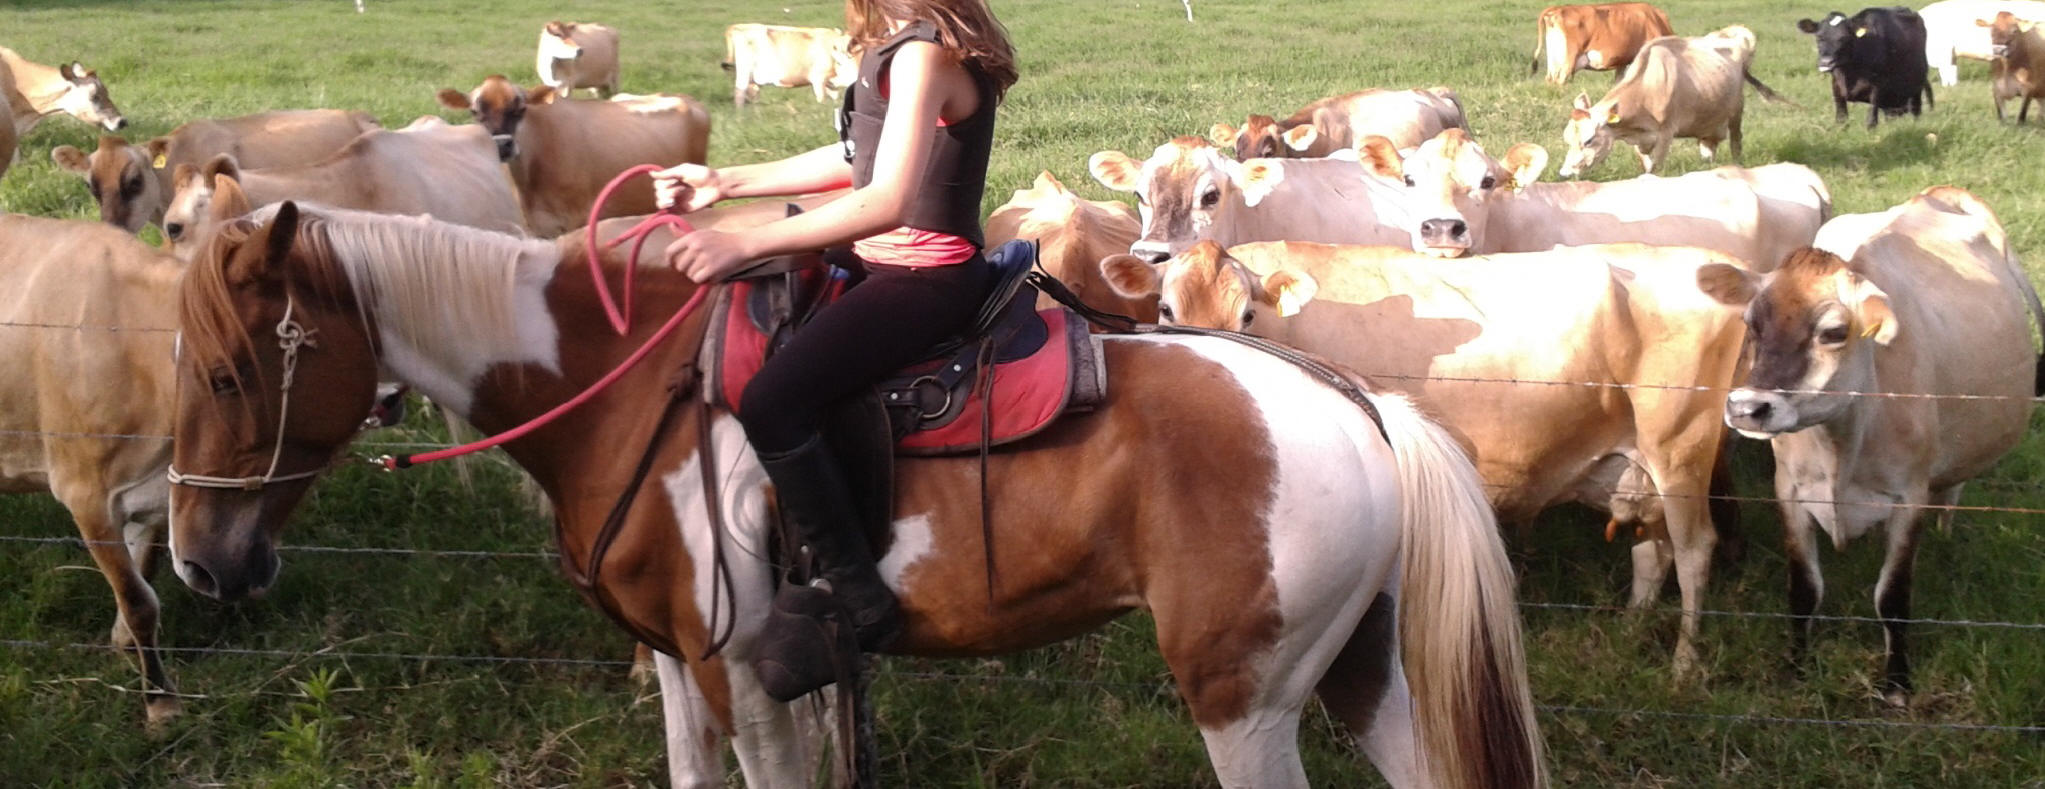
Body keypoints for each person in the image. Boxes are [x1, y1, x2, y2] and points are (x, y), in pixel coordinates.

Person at [652, 0, 1017, 702]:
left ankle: (856, 592)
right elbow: (857, 158)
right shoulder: (903, 44)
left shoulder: (925, 53)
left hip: (924, 274)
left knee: (773, 400)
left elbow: (884, 198)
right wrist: (725, 181)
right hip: (880, 256)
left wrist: (745, 240)